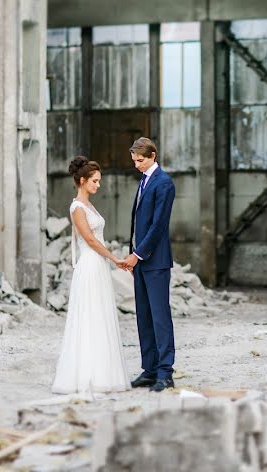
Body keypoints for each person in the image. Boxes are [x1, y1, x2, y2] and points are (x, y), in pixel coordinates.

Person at [51, 156, 130, 395]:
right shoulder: (77, 208)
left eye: (99, 181)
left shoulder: (90, 205)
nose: (99, 185)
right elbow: (91, 240)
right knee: (89, 318)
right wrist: (115, 258)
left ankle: (103, 373)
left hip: (98, 267)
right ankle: (87, 375)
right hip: (89, 265)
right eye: (95, 181)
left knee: (101, 316)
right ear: (83, 181)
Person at [118, 137, 176, 392]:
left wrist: (137, 254)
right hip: (140, 261)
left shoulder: (164, 183)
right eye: (134, 161)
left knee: (160, 317)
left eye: (140, 161)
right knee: (144, 316)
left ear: (153, 156)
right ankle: (149, 369)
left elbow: (158, 225)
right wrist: (133, 254)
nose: (136, 165)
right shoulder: (144, 180)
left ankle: (165, 372)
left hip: (156, 261)